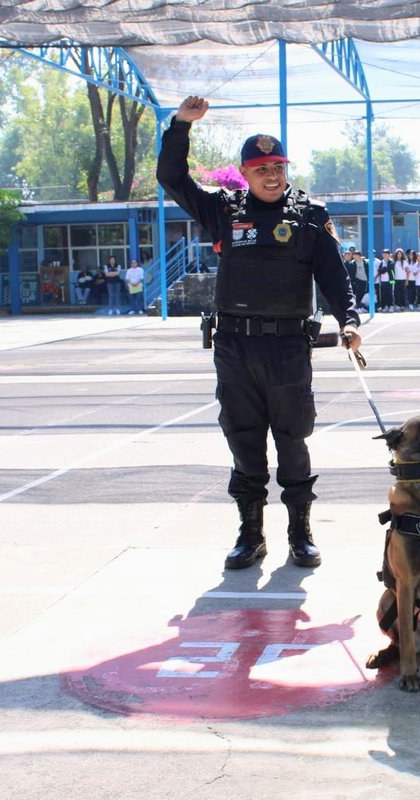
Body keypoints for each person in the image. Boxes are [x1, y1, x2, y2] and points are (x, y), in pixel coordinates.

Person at [156, 94, 361, 571]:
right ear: (245, 174)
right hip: (235, 345)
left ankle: (300, 533)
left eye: (278, 167)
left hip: (288, 345)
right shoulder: (223, 211)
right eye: (261, 168)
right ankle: (250, 535)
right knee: (243, 439)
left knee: (292, 439)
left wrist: (348, 321)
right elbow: (172, 178)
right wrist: (181, 126)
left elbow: (334, 276)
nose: (272, 175)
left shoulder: (310, 216)